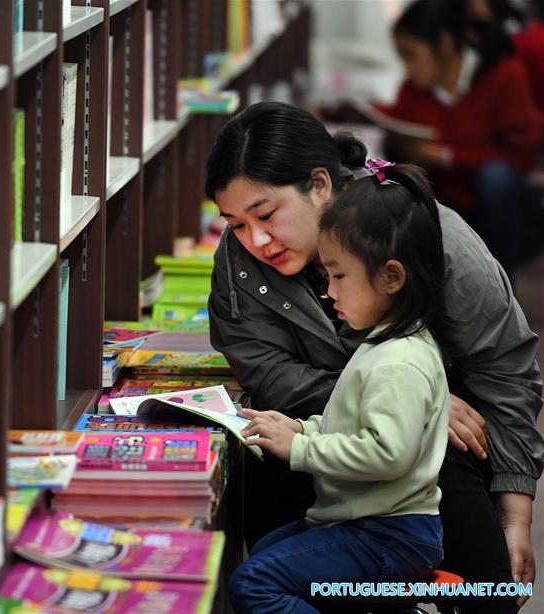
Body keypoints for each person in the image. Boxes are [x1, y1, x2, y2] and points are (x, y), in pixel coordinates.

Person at [207, 101, 543, 613]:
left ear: (320, 185)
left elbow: (505, 368)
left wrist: (515, 515)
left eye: (266, 215)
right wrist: (404, 396)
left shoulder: (427, 235)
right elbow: (270, 373)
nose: (255, 241)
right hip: (315, 445)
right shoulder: (240, 265)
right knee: (268, 553)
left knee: (491, 594)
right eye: (234, 223)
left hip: (436, 456)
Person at [229, 163, 450, 614]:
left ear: (391, 278)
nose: (329, 292)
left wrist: (299, 450)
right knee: (268, 546)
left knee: (255, 583)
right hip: (369, 523)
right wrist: (301, 429)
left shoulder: (398, 362)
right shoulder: (385, 342)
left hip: (389, 535)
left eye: (339, 276)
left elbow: (388, 454)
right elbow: (352, 424)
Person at [383, 0, 542, 279]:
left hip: (497, 207)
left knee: (496, 178)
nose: (407, 68)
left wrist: (445, 156)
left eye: (411, 56)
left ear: (443, 44)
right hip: (442, 203)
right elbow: (395, 121)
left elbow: (521, 157)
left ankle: (501, 278)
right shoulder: (414, 89)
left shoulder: (504, 75)